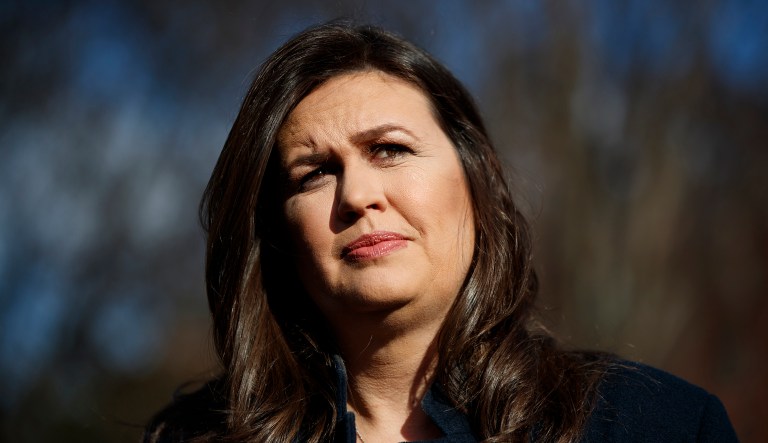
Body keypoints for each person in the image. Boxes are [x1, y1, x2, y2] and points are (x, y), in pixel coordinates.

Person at [144, 22, 738, 442]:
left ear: (477, 181)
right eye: (315, 173)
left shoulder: (656, 425)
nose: (357, 196)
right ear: (277, 234)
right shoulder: (192, 437)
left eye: (390, 149)